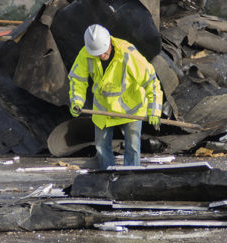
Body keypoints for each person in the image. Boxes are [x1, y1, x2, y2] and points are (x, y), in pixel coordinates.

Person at [68, 24, 163, 170]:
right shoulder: (85, 54)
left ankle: (131, 177)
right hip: (103, 108)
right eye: (97, 53)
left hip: (131, 109)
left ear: (109, 43)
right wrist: (76, 101)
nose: (101, 55)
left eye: (103, 51)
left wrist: (154, 110)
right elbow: (78, 80)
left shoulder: (128, 54)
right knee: (101, 146)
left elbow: (151, 81)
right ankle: (109, 177)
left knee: (132, 147)